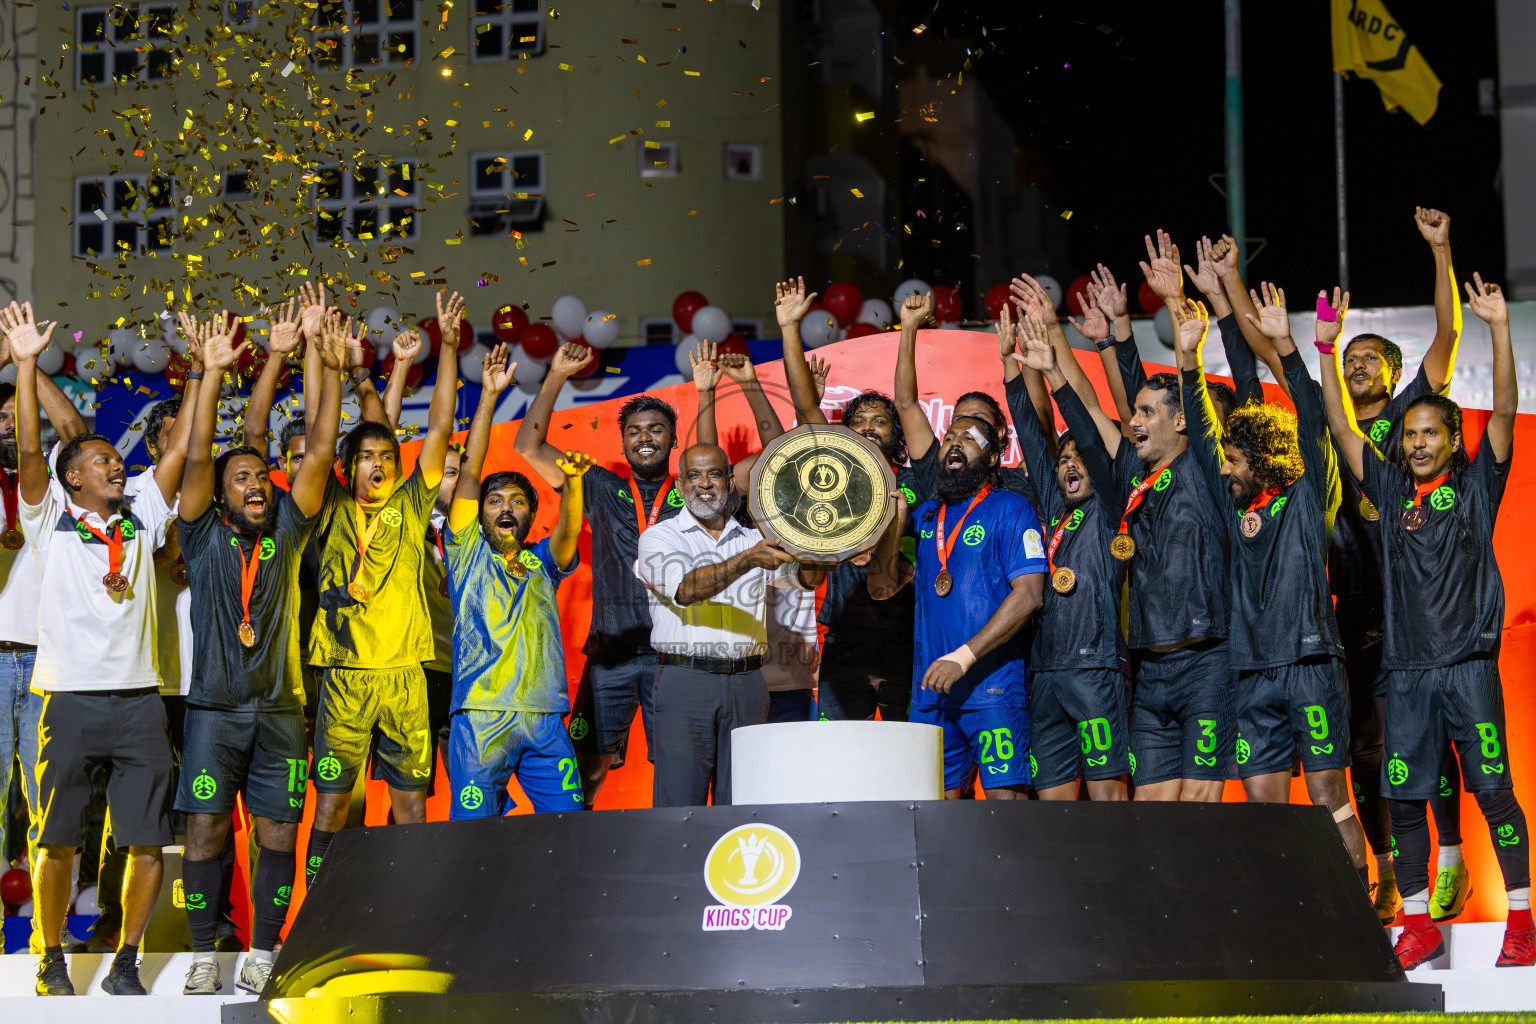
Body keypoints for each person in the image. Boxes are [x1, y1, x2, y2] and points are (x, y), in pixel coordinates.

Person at [1321, 271, 1529, 968]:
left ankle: (1522, 920)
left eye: (1428, 433)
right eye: (1409, 434)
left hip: (1467, 671)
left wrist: (1499, 327)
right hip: (1405, 675)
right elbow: (1342, 426)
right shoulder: (1387, 489)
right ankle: (1417, 924)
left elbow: (1505, 408)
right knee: (1405, 801)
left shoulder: (1476, 489)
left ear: (1450, 438)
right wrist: (1324, 350)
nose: (1415, 443)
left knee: (1494, 794)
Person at [7, 300, 186, 996]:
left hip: (140, 701)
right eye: (102, 460)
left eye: (117, 458)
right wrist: (25, 364)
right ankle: (50, 955)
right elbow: (32, 451)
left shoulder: (142, 506)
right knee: (57, 839)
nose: (117, 464)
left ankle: (126, 961)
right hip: (69, 698)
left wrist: (207, 374)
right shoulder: (48, 515)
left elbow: (184, 451)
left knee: (147, 842)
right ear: (73, 478)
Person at [1175, 285, 1369, 884]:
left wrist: (1288, 346)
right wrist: (1187, 359)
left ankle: (1358, 914)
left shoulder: (1307, 497)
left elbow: (1312, 419)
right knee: (1264, 809)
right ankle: (1288, 915)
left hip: (1310, 664)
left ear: (1263, 459)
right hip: (1251, 671)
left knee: (1329, 795)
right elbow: (1202, 439)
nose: (1226, 468)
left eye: (1236, 460)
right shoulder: (1235, 505)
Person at [174, 309, 343, 996]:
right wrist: (212, 372)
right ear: (219, 495)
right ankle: (202, 953)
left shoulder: (289, 531)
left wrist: (330, 367)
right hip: (213, 713)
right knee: (206, 830)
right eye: (240, 478)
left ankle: (264, 952)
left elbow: (321, 452)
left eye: (260, 477)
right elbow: (196, 455)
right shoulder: (200, 535)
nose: (254, 485)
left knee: (278, 834)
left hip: (279, 714)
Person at [303, 290, 463, 885]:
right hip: (345, 677)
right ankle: (318, 905)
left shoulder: (412, 504)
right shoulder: (330, 505)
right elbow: (319, 436)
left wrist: (449, 346)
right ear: (350, 466)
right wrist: (325, 360)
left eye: (387, 456)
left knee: (410, 807)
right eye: (366, 455)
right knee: (331, 807)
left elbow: (441, 426)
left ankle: (407, 905)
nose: (378, 463)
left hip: (405, 678)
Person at [1065, 269, 1235, 802]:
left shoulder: (1205, 470)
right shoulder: (1135, 479)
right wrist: (1061, 350)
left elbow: (1197, 416)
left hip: (1207, 662)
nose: (1134, 420)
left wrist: (1187, 353)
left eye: (1146, 413)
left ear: (1181, 423)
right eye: (1136, 411)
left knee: (1198, 811)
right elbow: (1094, 413)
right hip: (1150, 668)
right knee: (1153, 814)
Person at [514, 341, 685, 808]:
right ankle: (576, 847)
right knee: (584, 772)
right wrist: (555, 375)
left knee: (678, 769)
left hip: (674, 655)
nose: (644, 437)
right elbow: (528, 446)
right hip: (610, 654)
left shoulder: (694, 489)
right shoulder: (599, 486)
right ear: (623, 442)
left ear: (673, 439)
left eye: (656, 429)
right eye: (634, 431)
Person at [635, 443, 827, 808]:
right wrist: (747, 560)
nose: (704, 483)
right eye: (694, 475)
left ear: (730, 481)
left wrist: (815, 535)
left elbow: (808, 579)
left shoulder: (754, 538)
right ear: (680, 485)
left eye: (714, 474)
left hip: (748, 683)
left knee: (742, 802)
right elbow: (685, 589)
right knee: (680, 805)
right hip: (685, 681)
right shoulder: (659, 537)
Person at [869, 416, 1046, 800]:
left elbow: (1030, 595)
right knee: (932, 815)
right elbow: (880, 588)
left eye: (969, 438)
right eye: (949, 436)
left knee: (1005, 807)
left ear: (993, 457)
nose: (954, 442)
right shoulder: (926, 516)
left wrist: (963, 658)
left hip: (993, 692)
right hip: (931, 696)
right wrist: (896, 524)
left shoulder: (1012, 509)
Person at [443, 346, 586, 816]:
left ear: (530, 514)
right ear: (479, 513)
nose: (506, 507)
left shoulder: (543, 559)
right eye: (495, 501)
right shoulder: (465, 551)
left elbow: (568, 532)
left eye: (518, 501)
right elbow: (470, 470)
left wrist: (573, 484)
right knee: (475, 837)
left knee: (568, 830)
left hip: (545, 719)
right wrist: (488, 397)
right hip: (481, 717)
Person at [773, 278, 921, 722]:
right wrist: (790, 328)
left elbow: (908, 401)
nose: (869, 427)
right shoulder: (832, 478)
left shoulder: (916, 482)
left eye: (880, 421)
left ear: (896, 434)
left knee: (905, 757)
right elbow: (806, 408)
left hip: (906, 642)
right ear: (846, 432)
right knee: (839, 756)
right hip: (843, 643)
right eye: (859, 421)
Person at [1005, 307, 1129, 800]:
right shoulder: (1055, 508)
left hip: (1096, 667)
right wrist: (1011, 365)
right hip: (1045, 670)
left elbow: (1093, 441)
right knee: (1052, 802)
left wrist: (1055, 373)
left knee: (1107, 796)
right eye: (1064, 460)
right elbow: (1032, 438)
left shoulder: (1112, 504)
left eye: (1080, 458)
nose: (1069, 465)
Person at [0, 332, 87, 943]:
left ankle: (47, 939)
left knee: (48, 801)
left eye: (17, 415)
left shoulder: (57, 482)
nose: (8, 425)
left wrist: (27, 367)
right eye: (0, 418)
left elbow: (76, 432)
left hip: (46, 660)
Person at [895, 289, 1043, 510]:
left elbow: (1037, 423)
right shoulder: (938, 476)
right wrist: (908, 327)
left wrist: (1018, 357)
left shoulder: (1020, 481)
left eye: (977, 419)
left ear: (999, 432)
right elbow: (906, 404)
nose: (966, 425)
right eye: (958, 421)